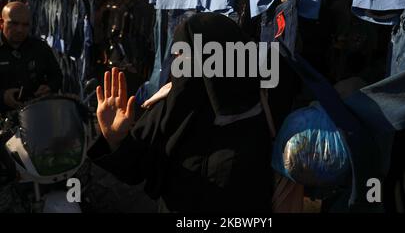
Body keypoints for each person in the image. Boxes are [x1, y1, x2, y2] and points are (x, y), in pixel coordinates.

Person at [89, 13, 273, 212]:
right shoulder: (170, 106)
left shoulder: (262, 112)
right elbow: (136, 169)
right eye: (177, 56)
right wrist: (115, 139)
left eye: (187, 55)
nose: (179, 64)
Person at [0, 2, 62, 112]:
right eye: (14, 23)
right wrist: (3, 95)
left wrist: (49, 87)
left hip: (35, 116)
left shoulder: (40, 48)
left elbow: (57, 76)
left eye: (25, 25)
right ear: (1, 23)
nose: (20, 29)